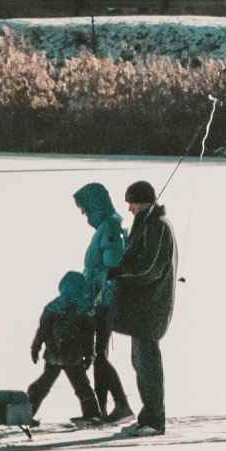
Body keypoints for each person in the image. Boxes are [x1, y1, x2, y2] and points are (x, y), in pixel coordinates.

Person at [110, 180, 178, 437]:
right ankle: (147, 416)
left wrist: (122, 276)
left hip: (152, 308)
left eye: (131, 203)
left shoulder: (158, 227)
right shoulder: (145, 223)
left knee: (148, 365)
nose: (129, 208)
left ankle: (154, 420)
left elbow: (151, 269)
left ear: (144, 201)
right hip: (142, 308)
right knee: (139, 362)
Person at [72, 182, 133, 424]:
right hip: (99, 298)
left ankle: (121, 405)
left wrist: (96, 290)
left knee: (99, 353)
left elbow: (113, 263)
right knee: (99, 354)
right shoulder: (108, 226)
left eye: (85, 208)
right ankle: (101, 409)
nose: (83, 214)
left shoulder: (110, 227)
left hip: (104, 300)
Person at [27, 271, 105, 426]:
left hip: (54, 354)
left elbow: (42, 330)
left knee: (43, 385)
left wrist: (35, 347)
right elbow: (89, 334)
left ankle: (27, 413)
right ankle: (92, 414)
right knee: (81, 386)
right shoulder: (84, 308)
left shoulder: (53, 306)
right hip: (72, 356)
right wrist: (90, 354)